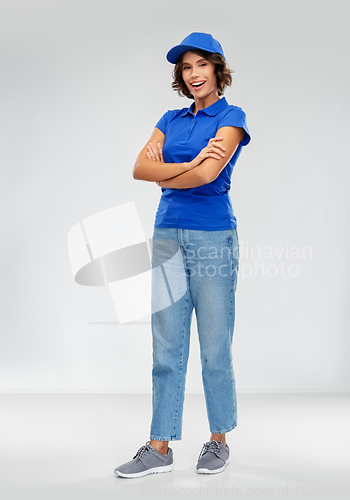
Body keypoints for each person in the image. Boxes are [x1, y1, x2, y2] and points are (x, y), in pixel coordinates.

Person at [114, 32, 251, 479]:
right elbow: (139, 168)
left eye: (201, 66)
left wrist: (168, 172)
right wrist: (191, 166)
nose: (193, 74)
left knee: (214, 345)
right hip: (167, 231)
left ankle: (218, 440)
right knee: (167, 345)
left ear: (217, 69)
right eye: (186, 68)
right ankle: (159, 447)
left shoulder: (232, 117)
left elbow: (211, 175)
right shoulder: (169, 119)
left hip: (213, 236)